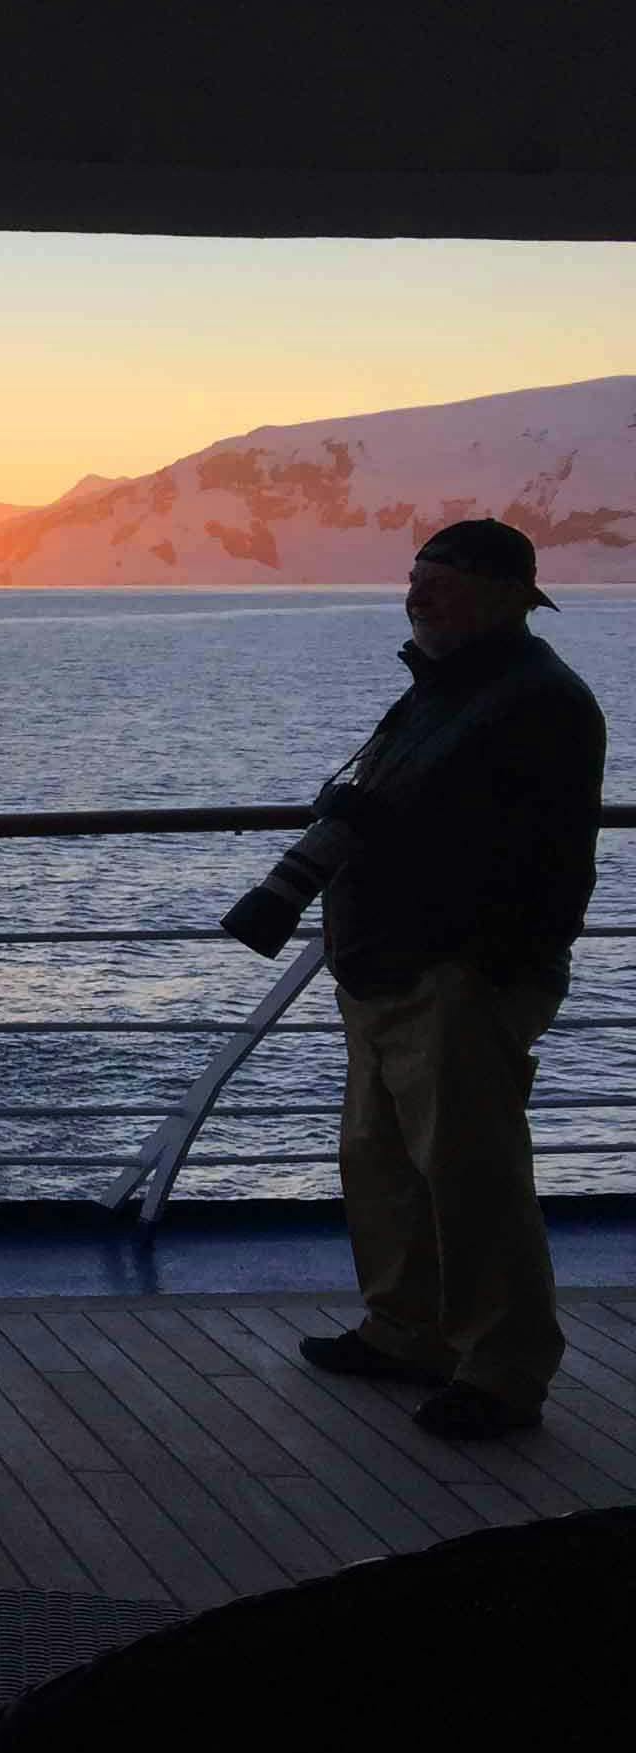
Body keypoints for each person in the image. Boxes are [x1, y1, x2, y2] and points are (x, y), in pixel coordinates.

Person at [242, 519, 603, 1439]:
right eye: (415, 580)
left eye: (437, 584)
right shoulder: (442, 691)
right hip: (387, 969)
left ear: (504, 595)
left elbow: (540, 857)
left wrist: (485, 966)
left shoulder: (541, 702)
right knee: (385, 1163)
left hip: (458, 974)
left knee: (473, 1178)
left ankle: (504, 1370)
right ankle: (408, 1331)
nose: (417, 597)